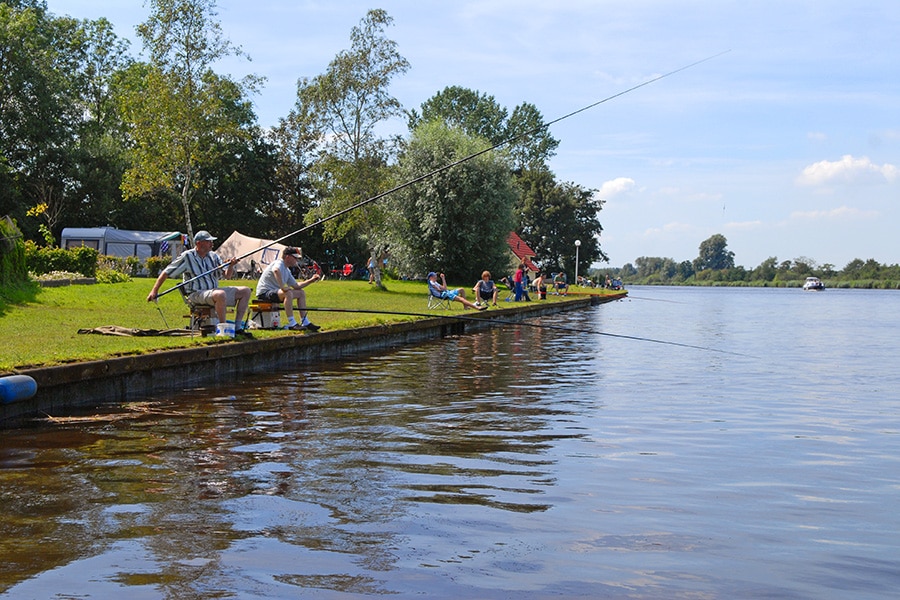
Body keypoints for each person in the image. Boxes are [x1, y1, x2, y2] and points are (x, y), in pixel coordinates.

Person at [147, 230, 253, 338]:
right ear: (199, 243)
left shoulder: (213, 256)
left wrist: (230, 266)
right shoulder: (187, 256)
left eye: (211, 242)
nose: (211, 244)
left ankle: (238, 327)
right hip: (196, 294)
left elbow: (227, 276)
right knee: (220, 294)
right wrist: (154, 290)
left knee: (245, 291)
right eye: (208, 242)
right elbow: (166, 272)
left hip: (213, 291)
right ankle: (224, 330)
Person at [256, 247, 321, 331]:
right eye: (295, 258)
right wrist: (282, 287)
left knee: (301, 293)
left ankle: (305, 321)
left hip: (275, 292)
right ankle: (292, 323)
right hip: (264, 293)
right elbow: (276, 270)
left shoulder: (287, 270)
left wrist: (311, 280)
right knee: (288, 293)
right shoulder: (279, 263)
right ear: (287, 257)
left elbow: (296, 286)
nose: (296, 260)